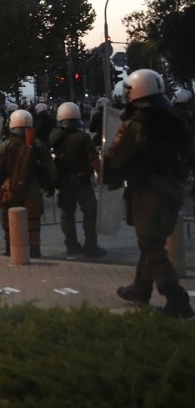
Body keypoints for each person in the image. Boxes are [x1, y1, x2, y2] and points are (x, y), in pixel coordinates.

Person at [105, 69, 195, 318]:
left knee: (151, 245)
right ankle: (140, 287)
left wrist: (108, 170)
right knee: (151, 242)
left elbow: (115, 157)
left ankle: (176, 298)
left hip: (148, 192)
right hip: (173, 190)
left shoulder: (136, 125)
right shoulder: (176, 120)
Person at [0, 109, 57, 258]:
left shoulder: (5, 146)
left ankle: (11, 250)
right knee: (32, 223)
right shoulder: (37, 145)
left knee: (10, 222)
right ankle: (34, 251)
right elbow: (49, 167)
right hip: (32, 188)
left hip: (9, 188)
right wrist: (49, 185)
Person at [49, 102, 105, 258]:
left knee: (67, 214)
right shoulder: (83, 137)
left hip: (64, 181)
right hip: (82, 181)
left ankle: (72, 245)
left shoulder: (55, 136)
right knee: (90, 212)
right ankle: (91, 245)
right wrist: (100, 174)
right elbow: (94, 159)